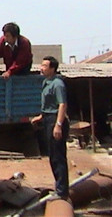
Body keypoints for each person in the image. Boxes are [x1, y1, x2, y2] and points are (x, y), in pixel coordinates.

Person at [30, 56, 69, 199]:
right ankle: (59, 188)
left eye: (45, 66)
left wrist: (58, 125)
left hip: (55, 120)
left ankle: (62, 192)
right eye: (42, 65)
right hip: (48, 119)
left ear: (52, 69)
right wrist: (41, 116)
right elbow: (49, 104)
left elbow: (62, 105)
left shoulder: (58, 84)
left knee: (58, 157)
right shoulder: (46, 82)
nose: (41, 68)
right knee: (52, 156)